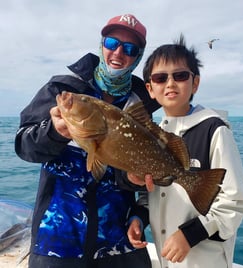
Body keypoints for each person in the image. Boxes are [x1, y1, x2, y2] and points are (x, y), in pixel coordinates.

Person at [15, 14, 160, 268]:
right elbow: (23, 145)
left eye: (129, 48)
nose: (118, 52)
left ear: (137, 56)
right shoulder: (62, 89)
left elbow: (137, 174)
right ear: (101, 43)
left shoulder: (142, 105)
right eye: (112, 42)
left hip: (120, 243)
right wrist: (54, 133)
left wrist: (136, 200)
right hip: (56, 243)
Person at [127, 34, 243, 268]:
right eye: (160, 78)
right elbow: (153, 191)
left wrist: (190, 234)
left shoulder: (214, 130)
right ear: (150, 89)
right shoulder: (155, 135)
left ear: (195, 83)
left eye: (180, 75)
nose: (170, 83)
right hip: (167, 260)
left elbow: (237, 202)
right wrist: (138, 218)